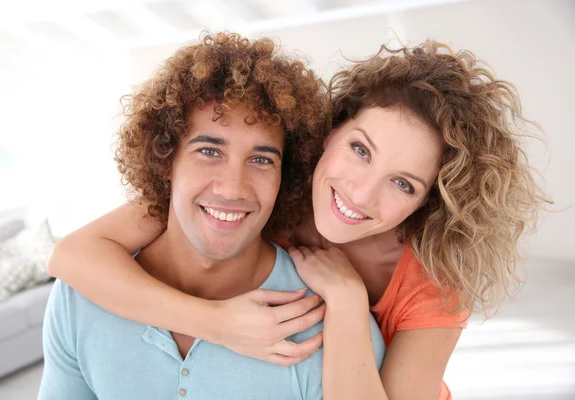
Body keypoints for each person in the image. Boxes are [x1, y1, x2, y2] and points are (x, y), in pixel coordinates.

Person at [47, 38, 548, 399]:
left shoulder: (433, 283)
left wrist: (349, 300)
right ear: (329, 134)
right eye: (359, 150)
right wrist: (216, 325)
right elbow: (71, 256)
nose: (360, 190)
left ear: (428, 202)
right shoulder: (257, 194)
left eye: (403, 183)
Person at [38, 32, 386, 400]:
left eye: (261, 160)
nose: (233, 188)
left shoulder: (332, 326)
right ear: (166, 159)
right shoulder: (82, 296)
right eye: (209, 151)